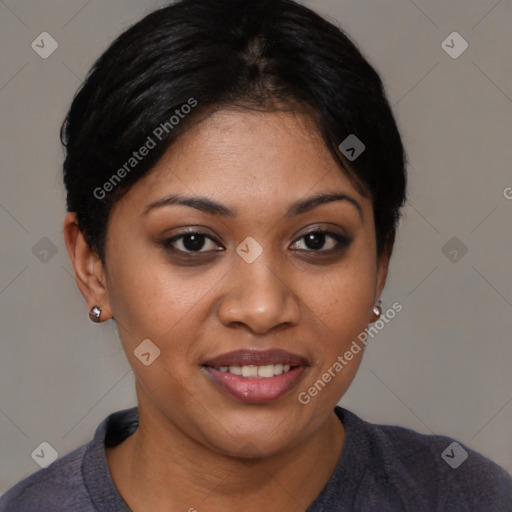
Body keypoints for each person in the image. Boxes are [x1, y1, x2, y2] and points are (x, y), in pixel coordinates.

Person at [1, 0, 511, 510]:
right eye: (193, 241)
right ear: (93, 269)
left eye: (316, 240)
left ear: (380, 264)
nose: (263, 308)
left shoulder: (469, 497)